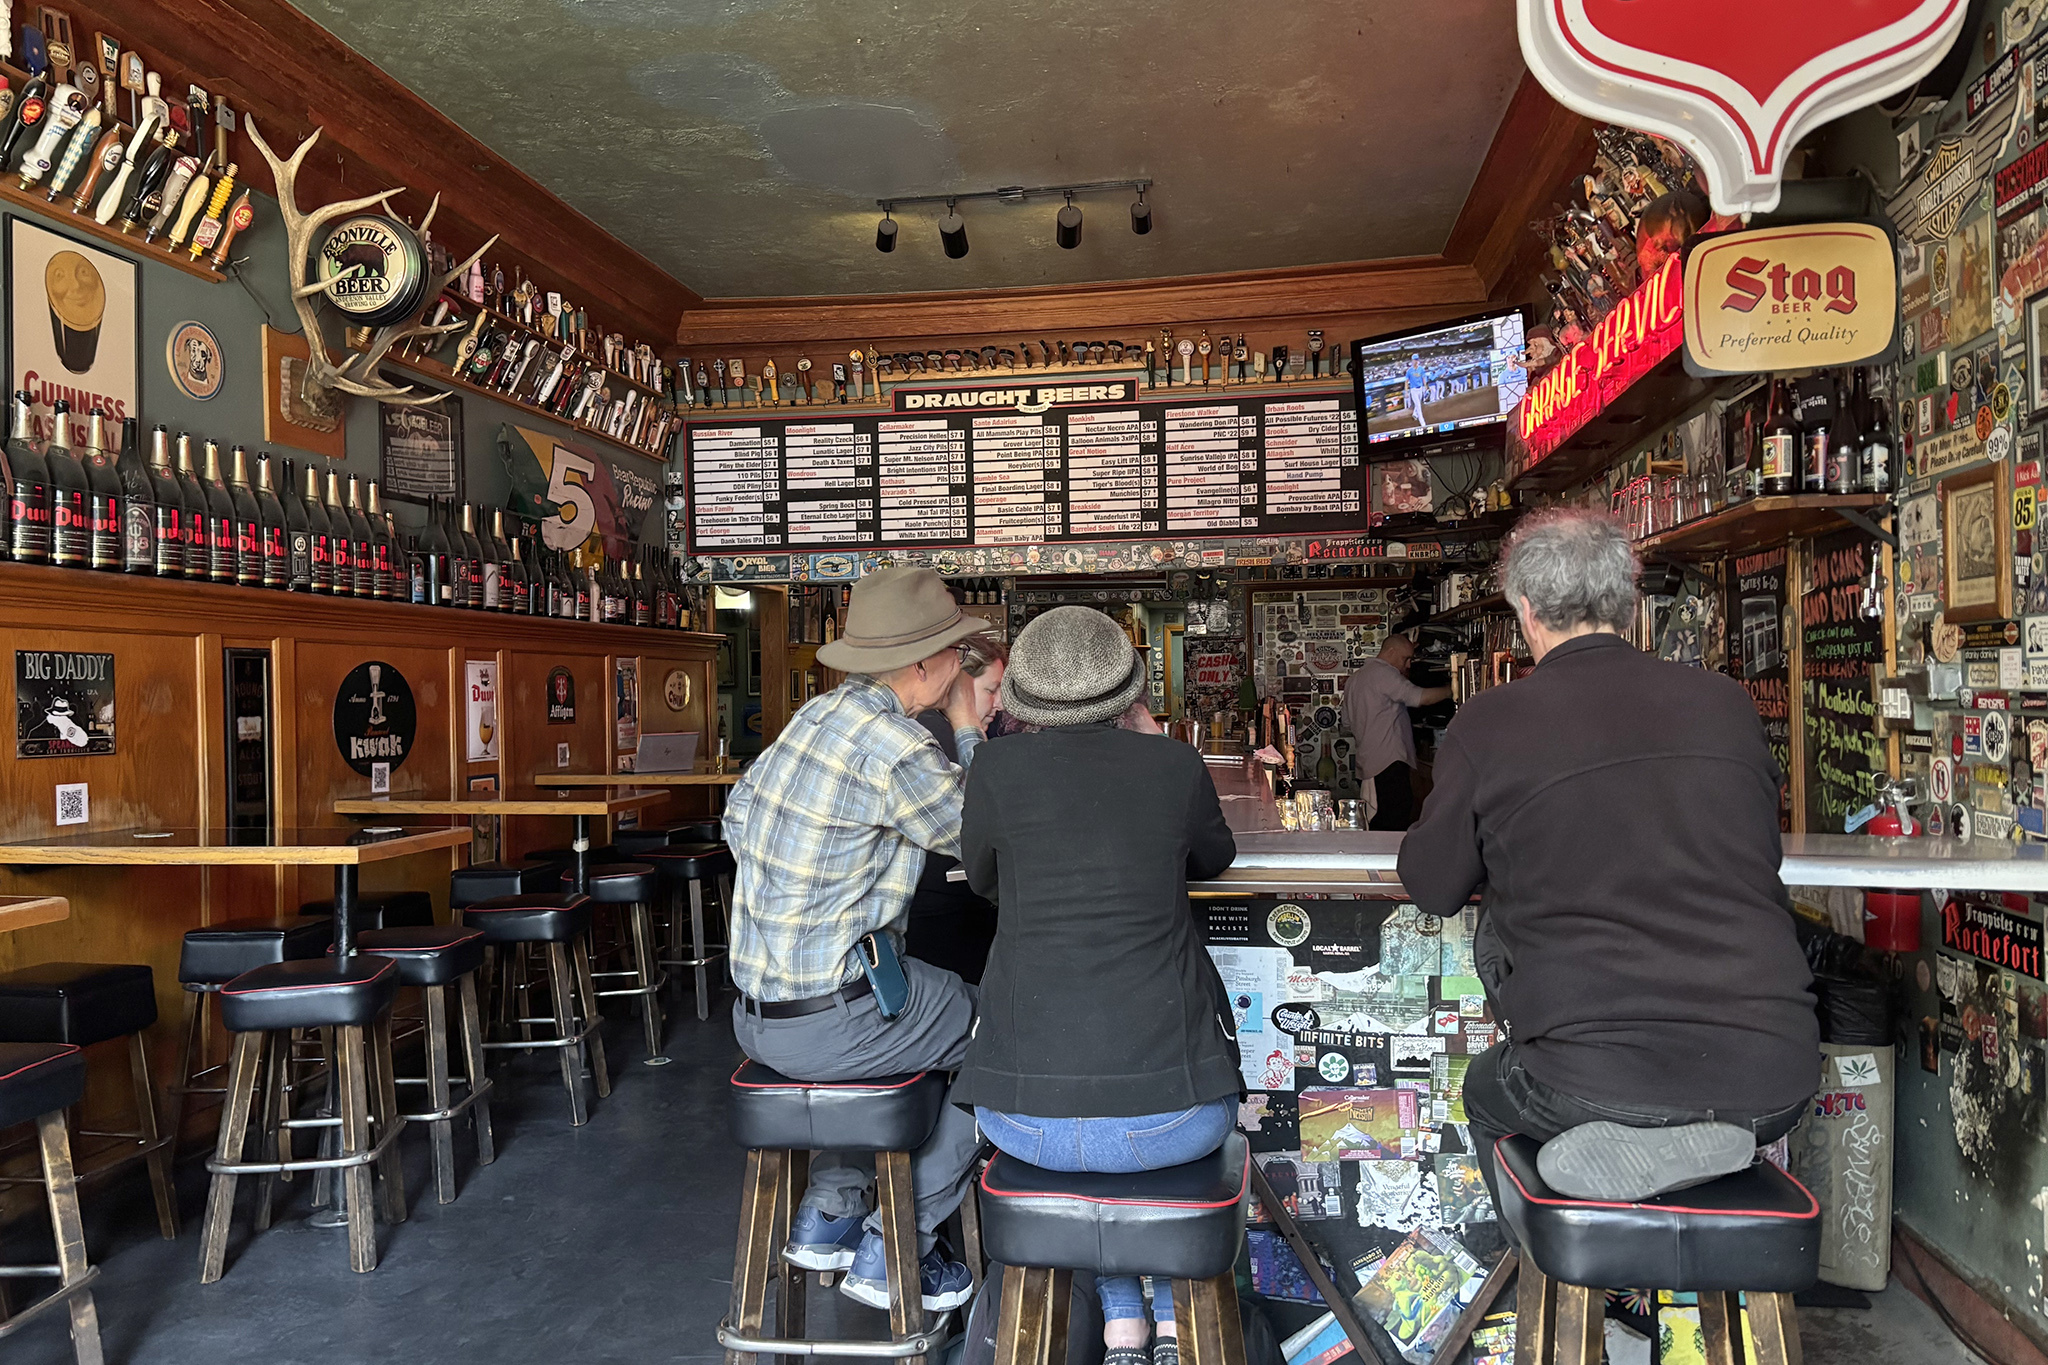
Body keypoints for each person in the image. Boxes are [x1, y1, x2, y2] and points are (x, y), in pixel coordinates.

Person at [1397, 509, 1818, 1206]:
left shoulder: (1491, 722)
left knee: (1485, 1087)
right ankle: (1683, 1165)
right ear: (1628, 603)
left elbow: (1434, 885)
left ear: (1527, 612)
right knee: (1669, 1104)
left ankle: (1573, 1265)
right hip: (1773, 1080)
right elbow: (1758, 854)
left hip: (1585, 1078)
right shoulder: (1725, 704)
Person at [955, 607, 1240, 1365]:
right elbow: (1214, 857)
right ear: (1133, 690)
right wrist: (1151, 743)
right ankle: (1164, 1315)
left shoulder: (994, 768)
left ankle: (1123, 1321)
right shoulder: (1173, 765)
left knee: (1087, 1152)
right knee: (1134, 1152)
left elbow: (982, 876)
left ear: (1022, 694)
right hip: (1172, 1118)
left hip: (1024, 1118)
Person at [723, 566, 988, 1313]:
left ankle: (831, 1208)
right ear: (922, 665)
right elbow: (986, 840)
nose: (959, 667)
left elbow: (738, 819)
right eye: (954, 655)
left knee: (900, 1007)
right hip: (835, 1023)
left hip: (756, 1014)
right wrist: (968, 729)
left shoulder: (812, 719)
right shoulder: (895, 746)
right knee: (1002, 1032)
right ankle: (894, 1239)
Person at [906, 635, 1007, 984]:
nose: (999, 702)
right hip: (942, 918)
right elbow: (992, 818)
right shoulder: (933, 736)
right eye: (991, 689)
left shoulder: (955, 733)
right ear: (962, 686)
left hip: (943, 910)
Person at [1340, 634, 1449, 830]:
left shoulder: (1355, 679)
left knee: (1377, 824)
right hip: (1388, 763)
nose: (1408, 665)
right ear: (1390, 652)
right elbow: (1419, 698)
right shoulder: (1384, 673)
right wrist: (1453, 688)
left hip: (1368, 763)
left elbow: (1347, 723)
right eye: (1405, 658)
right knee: (1392, 825)